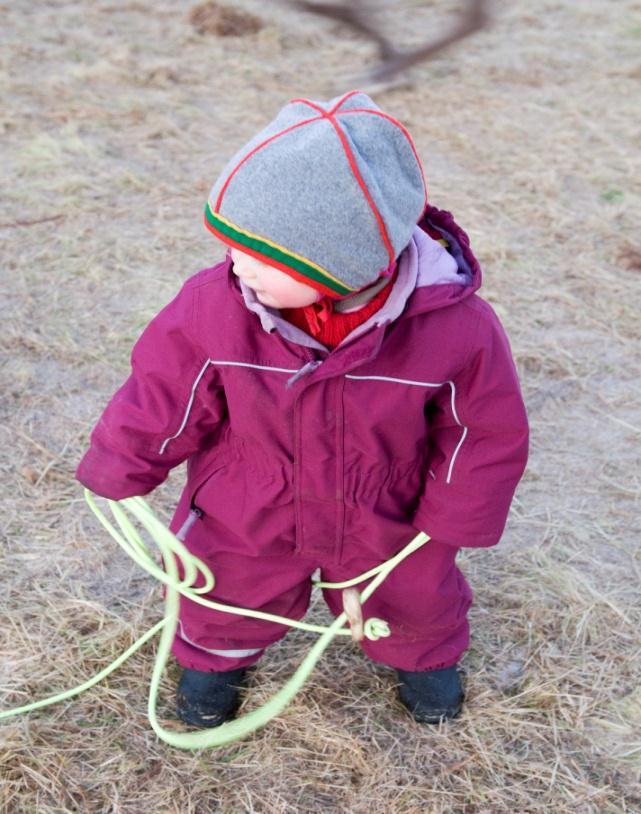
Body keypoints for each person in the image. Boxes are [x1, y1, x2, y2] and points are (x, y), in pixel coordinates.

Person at [75, 90, 529, 729]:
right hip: (250, 490)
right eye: (233, 244)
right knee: (225, 578)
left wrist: (453, 517)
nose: (236, 263)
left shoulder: (455, 329)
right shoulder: (218, 306)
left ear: (337, 261)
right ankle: (214, 661)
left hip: (388, 501)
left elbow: (482, 432)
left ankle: (423, 658)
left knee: (411, 589)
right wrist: (121, 463)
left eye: (259, 254)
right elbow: (164, 391)